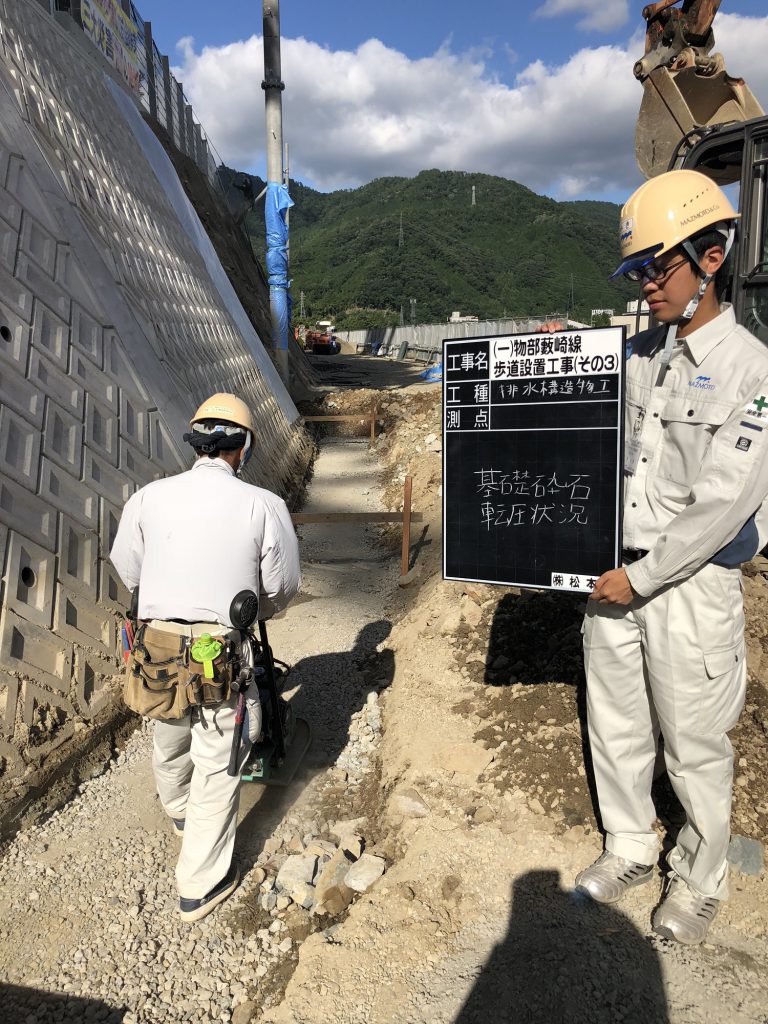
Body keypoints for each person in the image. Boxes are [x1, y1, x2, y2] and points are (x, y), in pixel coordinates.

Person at [544, 169, 768, 944]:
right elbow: (582, 418)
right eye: (635, 271)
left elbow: (721, 505)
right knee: (617, 724)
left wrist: (638, 578)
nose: (645, 285)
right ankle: (631, 846)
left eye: (656, 267)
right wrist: (552, 358)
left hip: (686, 586)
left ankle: (700, 879)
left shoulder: (753, 372)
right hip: (614, 574)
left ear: (712, 258)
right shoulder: (639, 355)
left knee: (694, 742)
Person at [110, 393, 301, 922]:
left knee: (169, 731)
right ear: (244, 448)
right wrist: (252, 610)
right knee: (219, 761)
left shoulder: (148, 497)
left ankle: (178, 812)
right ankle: (199, 884)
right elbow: (283, 587)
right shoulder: (263, 504)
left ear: (196, 442)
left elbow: (128, 567)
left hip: (157, 644)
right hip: (219, 647)